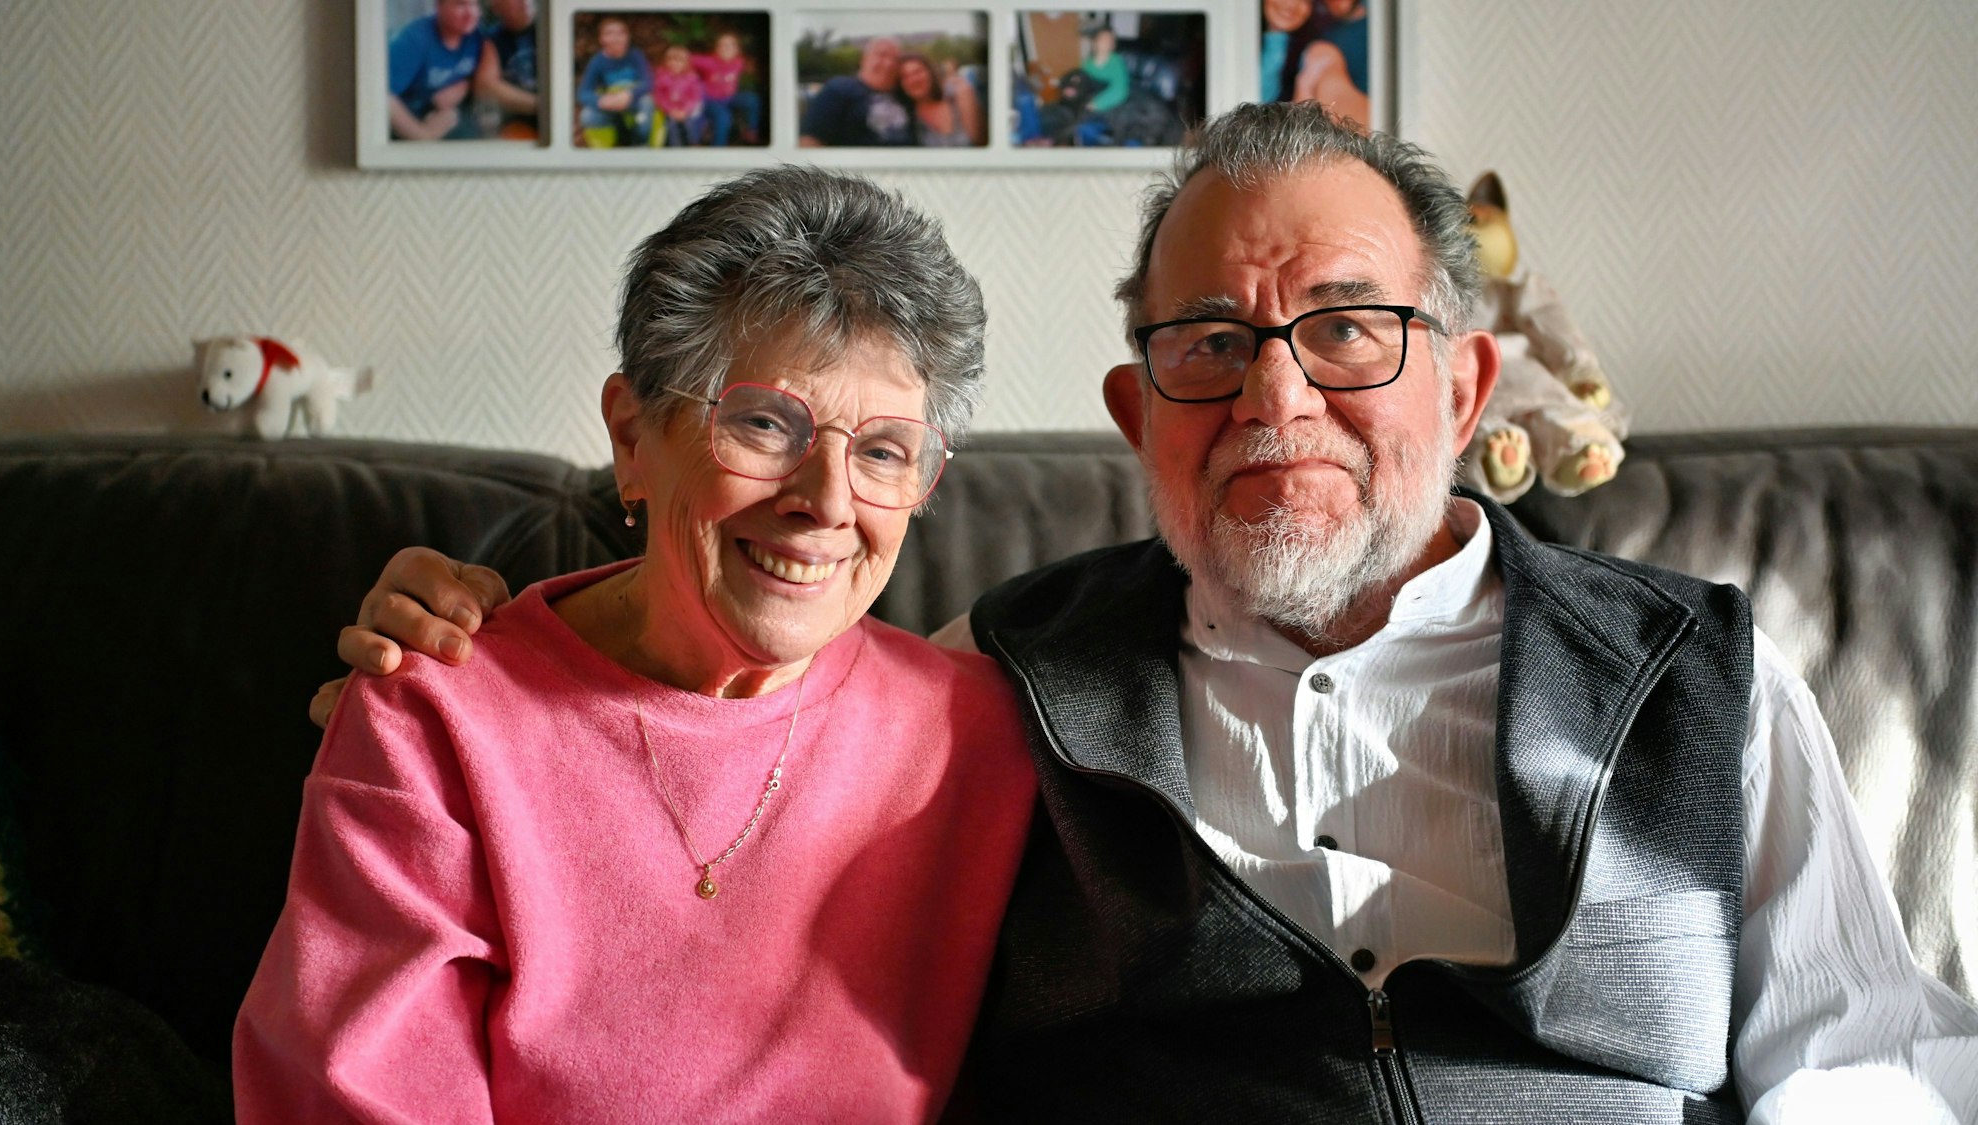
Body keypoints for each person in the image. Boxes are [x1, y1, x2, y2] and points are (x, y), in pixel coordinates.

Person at [317, 102, 1978, 1122]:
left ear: (1469, 385)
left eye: (1347, 330)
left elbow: (1868, 1063)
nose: (1276, 397)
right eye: (1210, 344)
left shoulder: (1700, 679)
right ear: (1137, 414)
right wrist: (465, 649)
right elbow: (713, 728)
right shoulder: (1007, 685)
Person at [235, 166, 1036, 1122]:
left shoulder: (987, 734)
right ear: (631, 436)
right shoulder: (435, 715)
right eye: (765, 424)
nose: (826, 501)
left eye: (883, 450)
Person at [387, 0, 484, 141]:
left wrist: (466, 85)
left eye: (474, 4)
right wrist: (422, 135)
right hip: (410, 123)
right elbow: (379, 93)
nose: (470, 13)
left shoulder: (477, 36)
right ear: (439, 7)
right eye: (460, 4)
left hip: (450, 117)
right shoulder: (414, 39)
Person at [798, 36, 910, 147]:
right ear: (864, 59)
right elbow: (810, 140)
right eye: (882, 55)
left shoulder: (904, 94)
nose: (889, 64)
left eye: (896, 59)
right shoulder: (839, 89)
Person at [575, 16, 651, 148]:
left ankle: (640, 142)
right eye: (609, 33)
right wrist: (601, 100)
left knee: (647, 102)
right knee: (586, 116)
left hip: (633, 102)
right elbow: (583, 92)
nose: (616, 38)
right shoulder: (597, 61)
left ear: (627, 37)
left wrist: (629, 94)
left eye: (621, 33)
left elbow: (648, 82)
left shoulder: (636, 56)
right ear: (601, 39)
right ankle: (621, 133)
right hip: (611, 104)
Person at [472, 0, 538, 140]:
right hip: (519, 122)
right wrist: (541, 105)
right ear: (496, 7)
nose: (525, 2)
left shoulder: (554, 27)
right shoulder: (492, 40)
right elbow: (486, 86)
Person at [692, 30, 762, 146]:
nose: (725, 48)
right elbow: (687, 58)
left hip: (730, 98)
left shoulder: (739, 62)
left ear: (737, 50)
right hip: (711, 100)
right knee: (724, 117)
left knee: (752, 99)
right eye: (722, 45)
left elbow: (750, 66)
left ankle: (750, 130)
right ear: (716, 49)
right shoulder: (708, 62)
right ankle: (718, 148)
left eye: (730, 45)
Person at [897, 53, 978, 148]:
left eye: (918, 72)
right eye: (905, 77)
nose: (914, 79)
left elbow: (981, 143)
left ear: (930, 72)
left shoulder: (957, 95)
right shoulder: (906, 120)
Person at [652, 44, 706, 146]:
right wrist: (670, 110)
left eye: (679, 61)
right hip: (670, 110)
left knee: (690, 123)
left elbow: (695, 96)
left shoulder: (691, 77)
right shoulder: (661, 76)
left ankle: (694, 144)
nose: (675, 64)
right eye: (671, 60)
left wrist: (685, 110)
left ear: (686, 63)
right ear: (666, 61)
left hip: (686, 110)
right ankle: (676, 148)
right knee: (671, 124)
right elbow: (659, 96)